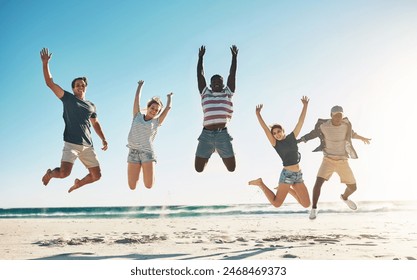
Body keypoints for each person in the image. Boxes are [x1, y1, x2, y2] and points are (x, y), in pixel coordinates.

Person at [40, 48, 108, 193]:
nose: (80, 87)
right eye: (77, 85)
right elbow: (50, 83)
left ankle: (78, 184)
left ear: (86, 87)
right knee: (64, 173)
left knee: (97, 176)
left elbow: (95, 123)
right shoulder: (68, 99)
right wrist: (45, 64)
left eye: (83, 85)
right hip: (71, 143)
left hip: (87, 145)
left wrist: (103, 139)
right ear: (73, 88)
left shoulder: (91, 106)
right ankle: (51, 173)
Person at [297, 105, 371, 219]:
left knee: (353, 187)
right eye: (336, 116)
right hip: (328, 160)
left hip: (343, 161)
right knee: (318, 183)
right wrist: (299, 140)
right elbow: (312, 134)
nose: (338, 118)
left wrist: (363, 138)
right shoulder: (324, 126)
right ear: (331, 116)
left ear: (342, 116)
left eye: (340, 116)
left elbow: (352, 134)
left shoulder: (346, 125)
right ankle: (314, 208)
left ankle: (344, 198)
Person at [248, 97, 311, 208]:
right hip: (287, 175)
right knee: (277, 203)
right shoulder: (275, 143)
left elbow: (301, 121)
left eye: (278, 131)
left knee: (306, 204)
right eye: (274, 133)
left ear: (283, 131)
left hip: (298, 174)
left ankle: (290, 191)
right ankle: (260, 183)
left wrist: (305, 106)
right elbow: (265, 129)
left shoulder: (292, 137)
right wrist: (258, 114)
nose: (277, 134)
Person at [195, 45, 238, 172]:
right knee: (199, 169)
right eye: (214, 82)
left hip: (222, 135)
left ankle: (217, 148)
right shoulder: (205, 93)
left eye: (219, 81)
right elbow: (200, 75)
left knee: (231, 168)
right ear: (210, 85)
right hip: (206, 135)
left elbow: (232, 74)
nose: (217, 83)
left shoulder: (228, 92)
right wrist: (200, 58)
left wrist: (234, 57)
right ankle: (210, 149)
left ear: (223, 84)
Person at [127, 80, 173, 190]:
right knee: (132, 186)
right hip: (133, 152)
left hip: (147, 153)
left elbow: (168, 108)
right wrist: (139, 86)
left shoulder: (156, 122)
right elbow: (136, 99)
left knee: (148, 185)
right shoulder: (137, 115)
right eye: (152, 108)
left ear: (158, 113)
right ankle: (141, 169)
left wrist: (169, 97)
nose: (153, 111)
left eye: (156, 110)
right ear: (148, 107)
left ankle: (150, 170)